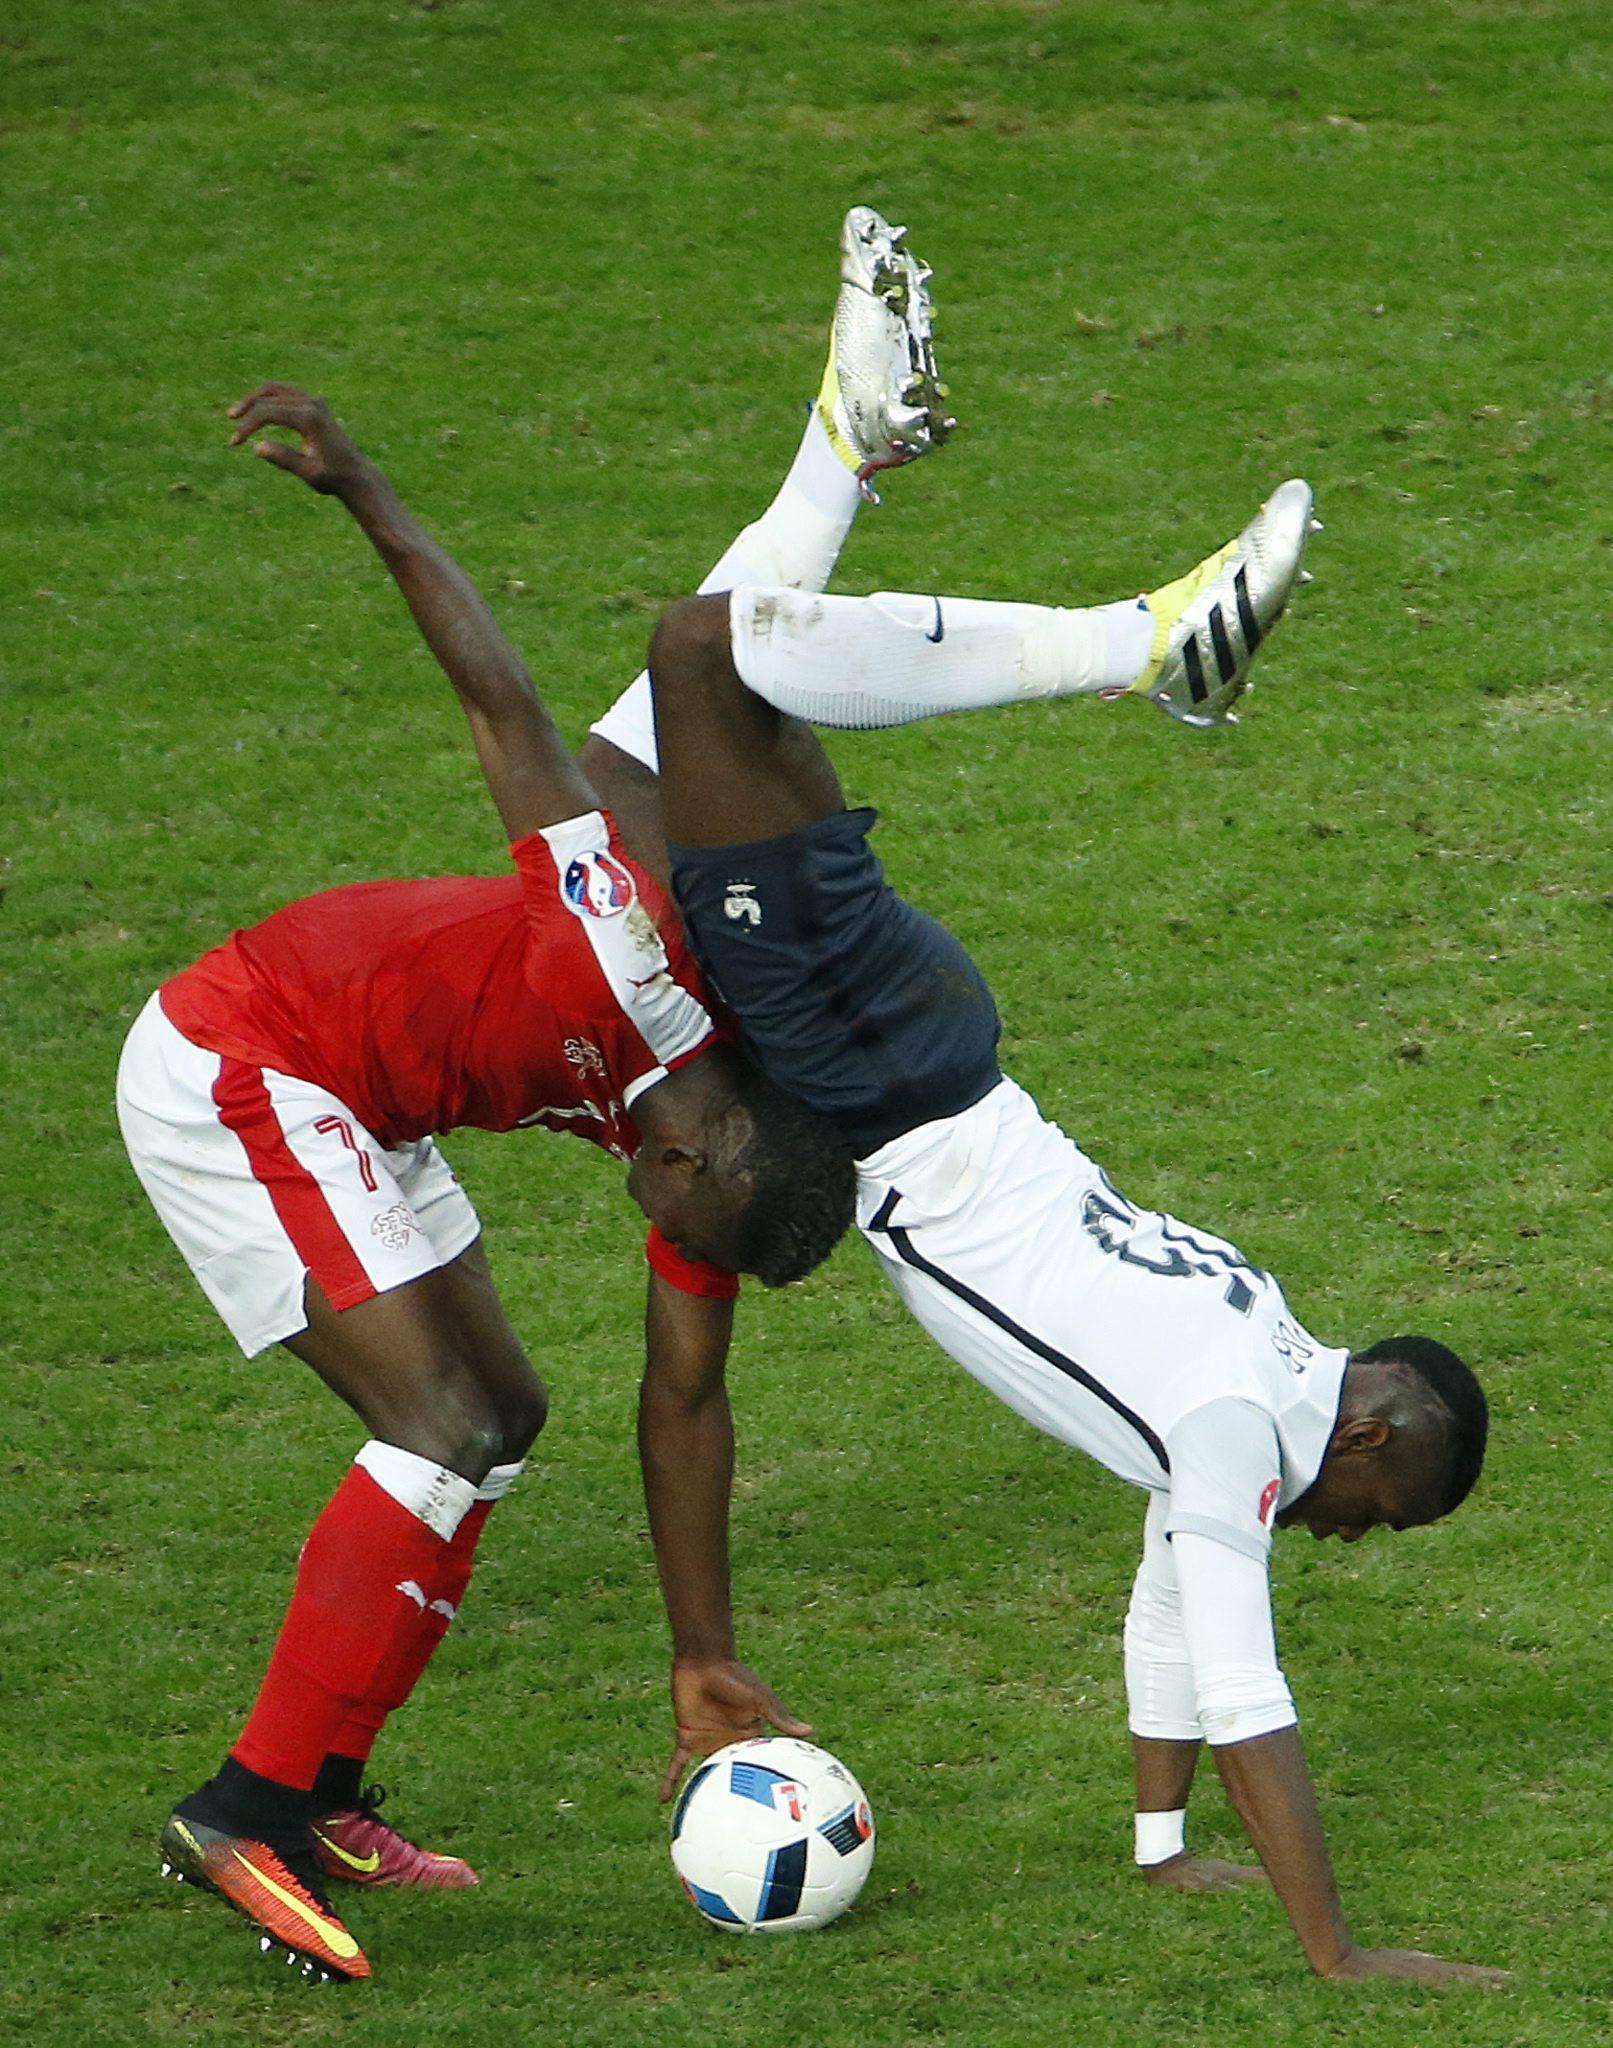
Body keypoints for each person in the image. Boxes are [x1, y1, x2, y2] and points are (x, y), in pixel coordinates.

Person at [579, 208, 1506, 1987]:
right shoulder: (1239, 1436)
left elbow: (1169, 1586)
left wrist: (1161, 1849)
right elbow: (1240, 1678)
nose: (1343, 1542)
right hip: (875, 1079)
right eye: (1373, 1524)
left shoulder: (1258, 1339)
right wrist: (1336, 1957)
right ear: (1374, 1440)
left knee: (623, 777)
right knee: (706, 657)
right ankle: (1139, 646)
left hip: (936, 1050)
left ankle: (846, 441)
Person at [116, 390, 858, 1981]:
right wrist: (367, 489)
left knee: (502, 1416)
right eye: (686, 1233)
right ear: (686, 1156)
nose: (669, 1252)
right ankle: (242, 1811)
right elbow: (506, 710)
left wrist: (703, 1657)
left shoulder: (716, 1150)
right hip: (244, 1054)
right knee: (437, 1425)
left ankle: (321, 1794)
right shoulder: (612, 947)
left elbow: (683, 1402)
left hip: (364, 1103)